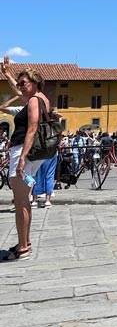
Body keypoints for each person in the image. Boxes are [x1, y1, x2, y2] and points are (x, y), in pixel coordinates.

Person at [0, 60, 52, 260]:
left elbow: (31, 129)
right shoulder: (40, 99)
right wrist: (7, 74)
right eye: (19, 84)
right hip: (32, 153)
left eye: (24, 83)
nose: (20, 87)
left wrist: (21, 158)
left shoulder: (33, 101)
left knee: (21, 201)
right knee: (24, 201)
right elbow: (20, 91)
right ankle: (25, 242)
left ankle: (23, 247)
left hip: (23, 150)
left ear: (35, 82)